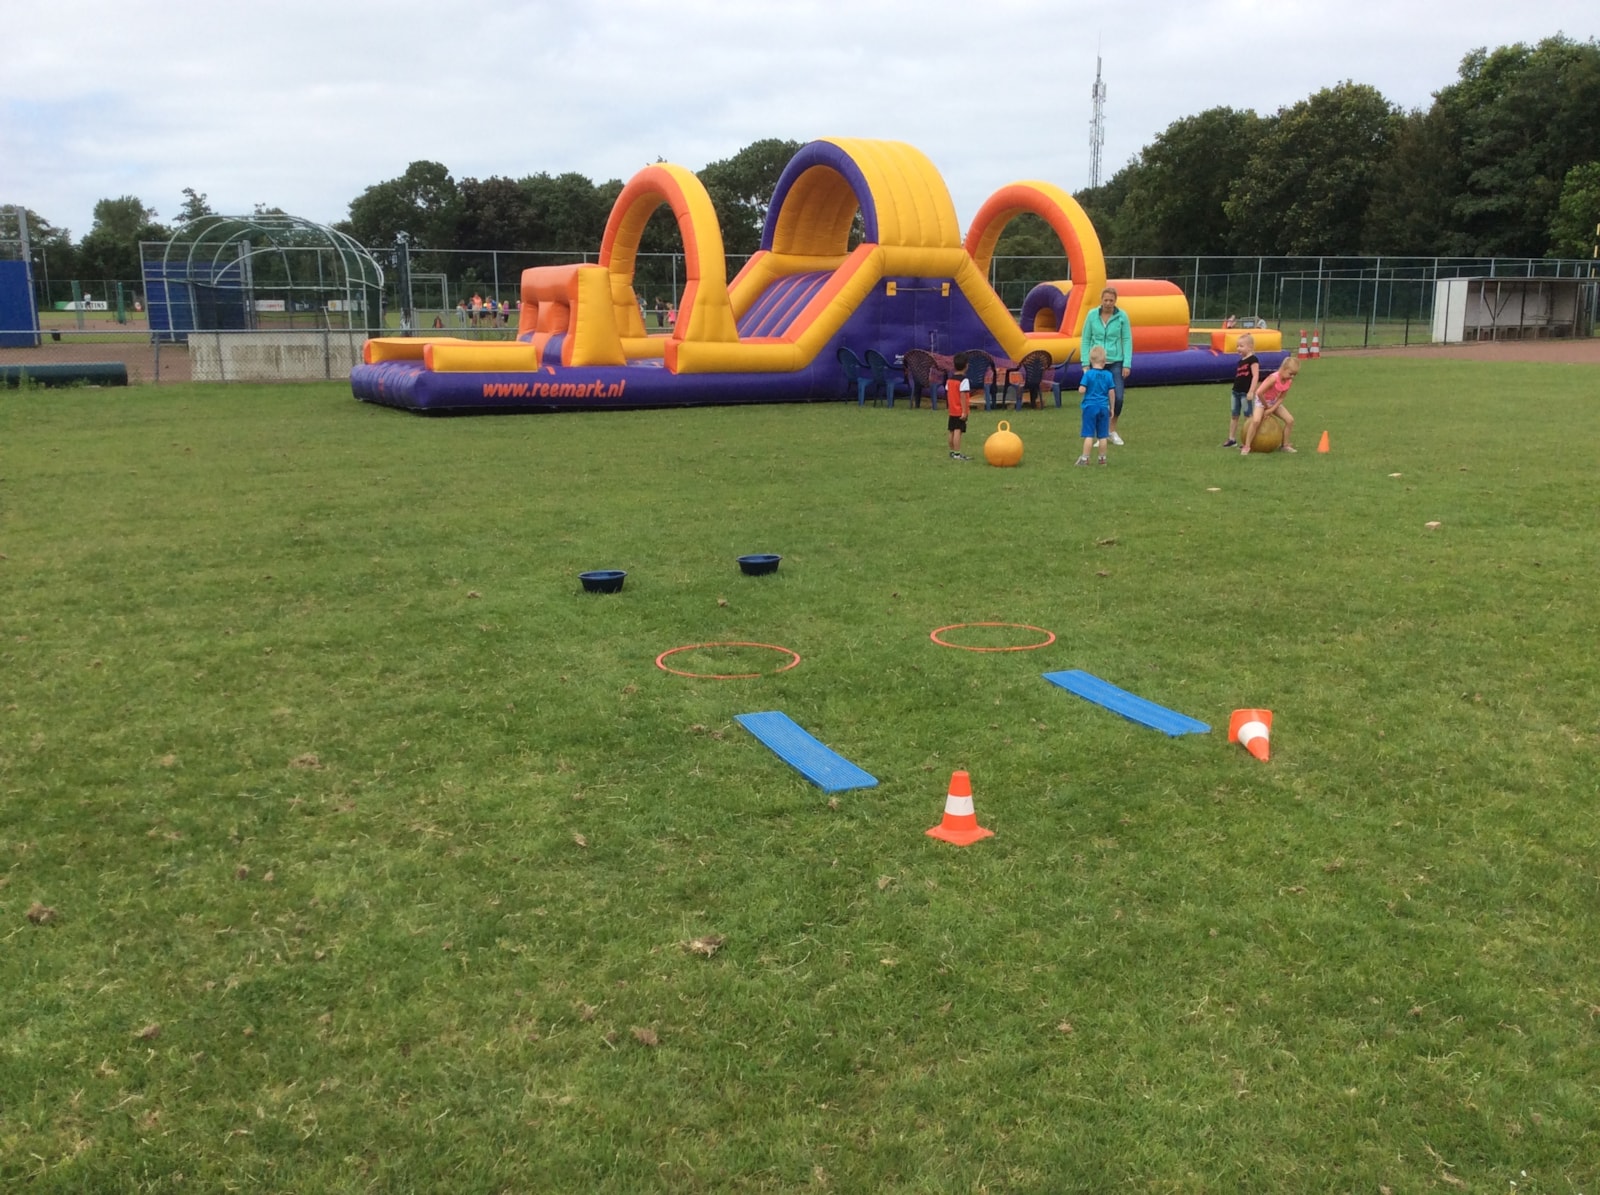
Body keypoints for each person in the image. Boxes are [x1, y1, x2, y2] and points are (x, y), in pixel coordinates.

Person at [1080, 287, 1133, 445]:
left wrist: (1127, 363)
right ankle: (1101, 434)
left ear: (1115, 301)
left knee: (1118, 397)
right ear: (1101, 300)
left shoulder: (1122, 316)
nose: (1108, 303)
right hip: (1097, 363)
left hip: (1115, 362)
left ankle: (1112, 429)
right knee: (1098, 400)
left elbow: (1127, 340)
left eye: (1111, 300)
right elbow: (1086, 339)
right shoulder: (1092, 315)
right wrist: (1085, 363)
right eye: (1106, 300)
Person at [1240, 356, 1301, 454]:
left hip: (1273, 402)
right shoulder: (1273, 378)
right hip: (1261, 401)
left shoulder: (1288, 381)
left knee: (1290, 420)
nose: (1292, 376)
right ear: (1283, 368)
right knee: (1256, 421)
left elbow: (1281, 398)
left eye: (1294, 374)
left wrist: (1271, 409)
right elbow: (1259, 393)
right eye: (1291, 374)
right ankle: (1247, 446)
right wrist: (1266, 406)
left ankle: (1285, 445)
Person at [1076, 345, 1115, 465]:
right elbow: (1111, 392)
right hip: (1103, 407)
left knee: (1088, 434)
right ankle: (1102, 459)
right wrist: (1112, 407)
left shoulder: (1088, 374)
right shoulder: (1108, 375)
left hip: (1090, 407)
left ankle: (1085, 458)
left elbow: (1081, 390)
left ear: (1091, 360)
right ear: (1104, 361)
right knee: (1103, 435)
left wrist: (1083, 387)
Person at [1223, 333, 1260, 448]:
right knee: (1234, 415)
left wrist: (1251, 391)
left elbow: (1255, 376)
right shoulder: (1240, 361)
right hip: (1236, 391)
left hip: (1245, 393)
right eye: (1237, 346)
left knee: (1248, 416)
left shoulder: (1253, 360)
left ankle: (1247, 441)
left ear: (1250, 347)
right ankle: (1232, 439)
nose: (1238, 348)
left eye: (1241, 346)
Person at [944, 352, 972, 460]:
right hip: (959, 410)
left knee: (951, 430)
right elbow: (963, 396)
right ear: (966, 366)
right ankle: (957, 453)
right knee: (958, 431)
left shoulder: (950, 380)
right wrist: (964, 411)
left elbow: (948, 392)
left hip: (952, 410)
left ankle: (952, 451)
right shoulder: (964, 380)